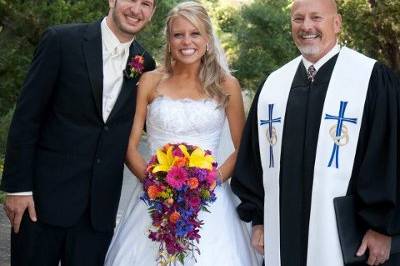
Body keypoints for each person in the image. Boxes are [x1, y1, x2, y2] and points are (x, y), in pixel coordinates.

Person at [231, 0, 400, 265]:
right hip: (281, 230)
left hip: (350, 237)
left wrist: (383, 228)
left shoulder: (370, 78)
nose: (306, 26)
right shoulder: (274, 85)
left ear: (337, 23)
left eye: (316, 17)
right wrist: (259, 219)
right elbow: (253, 159)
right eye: (298, 19)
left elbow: (388, 155)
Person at [104, 1, 262, 265]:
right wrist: (156, 186)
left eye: (195, 33)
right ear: (169, 39)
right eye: (178, 34)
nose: (186, 41)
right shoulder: (150, 81)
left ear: (208, 39)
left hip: (209, 201)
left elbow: (241, 148)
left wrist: (210, 182)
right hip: (154, 199)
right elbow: (130, 147)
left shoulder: (227, 85)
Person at [0, 0, 156, 265]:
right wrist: (18, 188)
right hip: (42, 203)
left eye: (146, 4)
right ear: (112, 1)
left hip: (98, 212)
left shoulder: (145, 65)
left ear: (152, 13)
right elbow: (28, 117)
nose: (136, 9)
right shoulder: (61, 41)